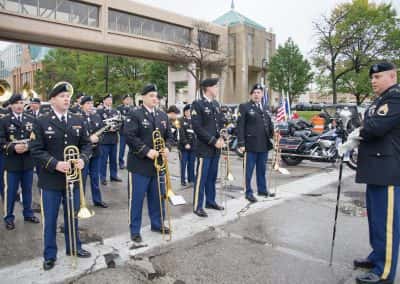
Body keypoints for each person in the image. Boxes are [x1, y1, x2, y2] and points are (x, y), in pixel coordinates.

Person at [30, 82, 92, 271]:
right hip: (51, 180)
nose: (67, 99)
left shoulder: (78, 119)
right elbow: (36, 150)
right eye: (63, 96)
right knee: (50, 219)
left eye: (68, 96)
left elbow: (87, 145)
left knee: (72, 216)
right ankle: (49, 255)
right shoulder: (41, 121)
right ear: (52, 100)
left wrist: (83, 158)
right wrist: (56, 164)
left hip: (73, 179)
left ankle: (74, 246)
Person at [353, 62, 400, 284]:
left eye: (378, 77)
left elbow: (374, 127)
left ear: (392, 76)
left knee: (387, 224)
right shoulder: (380, 101)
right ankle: (376, 257)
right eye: (372, 77)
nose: (373, 81)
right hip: (375, 169)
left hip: (388, 171)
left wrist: (362, 128)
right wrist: (365, 125)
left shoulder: (395, 97)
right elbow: (367, 123)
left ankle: (384, 273)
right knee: (376, 220)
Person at [124, 84, 173, 243]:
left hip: (158, 165)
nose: (155, 98)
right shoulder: (134, 114)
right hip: (140, 165)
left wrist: (167, 147)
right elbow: (130, 137)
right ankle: (135, 230)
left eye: (156, 96)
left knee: (157, 197)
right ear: (143, 97)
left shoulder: (162, 116)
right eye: (151, 95)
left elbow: (169, 136)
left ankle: (157, 224)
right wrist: (146, 151)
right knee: (136, 199)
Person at [0, 94, 40, 230]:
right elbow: (1, 142)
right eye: (16, 103)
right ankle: (9, 217)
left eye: (21, 102)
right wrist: (13, 147)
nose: (19, 105)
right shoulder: (4, 121)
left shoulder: (31, 119)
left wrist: (28, 147)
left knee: (27, 190)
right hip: (11, 162)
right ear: (11, 105)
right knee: (10, 191)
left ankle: (28, 213)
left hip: (27, 161)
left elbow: (36, 139)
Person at [191, 78, 225, 218]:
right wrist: (213, 141)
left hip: (216, 148)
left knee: (212, 176)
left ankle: (210, 201)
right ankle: (197, 206)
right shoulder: (197, 104)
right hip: (204, 148)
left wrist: (222, 136)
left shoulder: (216, 104)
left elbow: (221, 123)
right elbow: (197, 127)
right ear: (208, 88)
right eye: (215, 86)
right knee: (202, 178)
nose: (217, 89)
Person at [237, 84, 274, 203]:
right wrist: (241, 143)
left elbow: (269, 124)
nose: (257, 94)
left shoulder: (266, 108)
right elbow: (240, 126)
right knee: (248, 171)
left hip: (263, 144)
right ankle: (248, 192)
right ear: (251, 95)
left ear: (262, 94)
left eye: (259, 92)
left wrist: (274, 134)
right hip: (250, 145)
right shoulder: (245, 107)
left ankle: (262, 189)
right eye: (255, 93)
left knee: (261, 169)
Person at [80, 95, 108, 208]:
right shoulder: (77, 118)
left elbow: (102, 132)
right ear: (82, 106)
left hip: (96, 151)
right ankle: (81, 201)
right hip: (83, 154)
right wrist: (88, 139)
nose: (90, 106)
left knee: (95, 177)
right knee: (82, 178)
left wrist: (98, 139)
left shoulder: (97, 117)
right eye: (87, 104)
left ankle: (97, 200)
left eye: (91, 103)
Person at [97, 94, 122, 185]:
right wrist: (108, 128)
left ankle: (113, 175)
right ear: (104, 101)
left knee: (113, 159)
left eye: (111, 99)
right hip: (104, 139)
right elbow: (99, 123)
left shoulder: (115, 111)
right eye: (108, 99)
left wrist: (116, 128)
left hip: (114, 138)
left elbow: (119, 123)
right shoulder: (99, 111)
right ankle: (102, 177)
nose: (110, 101)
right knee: (103, 160)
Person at [178, 104, 196, 186]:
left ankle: (191, 178)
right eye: (187, 111)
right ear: (184, 112)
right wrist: (185, 143)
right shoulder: (180, 120)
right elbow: (181, 133)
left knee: (191, 163)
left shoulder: (194, 120)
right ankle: (182, 180)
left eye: (190, 111)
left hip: (193, 146)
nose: (189, 113)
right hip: (184, 146)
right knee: (183, 164)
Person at [117, 94, 134, 170]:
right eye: (126, 99)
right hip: (123, 131)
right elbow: (119, 118)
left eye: (129, 99)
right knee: (122, 148)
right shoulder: (119, 108)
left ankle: (131, 162)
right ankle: (121, 163)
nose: (128, 100)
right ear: (123, 100)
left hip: (131, 132)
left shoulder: (132, 108)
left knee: (132, 148)